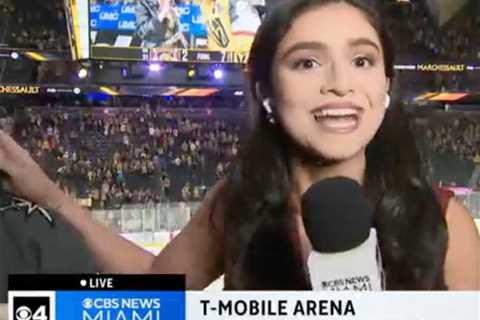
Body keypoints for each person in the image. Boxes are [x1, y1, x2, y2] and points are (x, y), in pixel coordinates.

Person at [0, 0, 478, 290]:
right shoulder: (240, 204)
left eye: (362, 60)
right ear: (266, 93)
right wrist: (48, 195)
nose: (340, 85)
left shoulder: (440, 219)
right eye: (307, 63)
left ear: (386, 86)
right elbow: (156, 288)